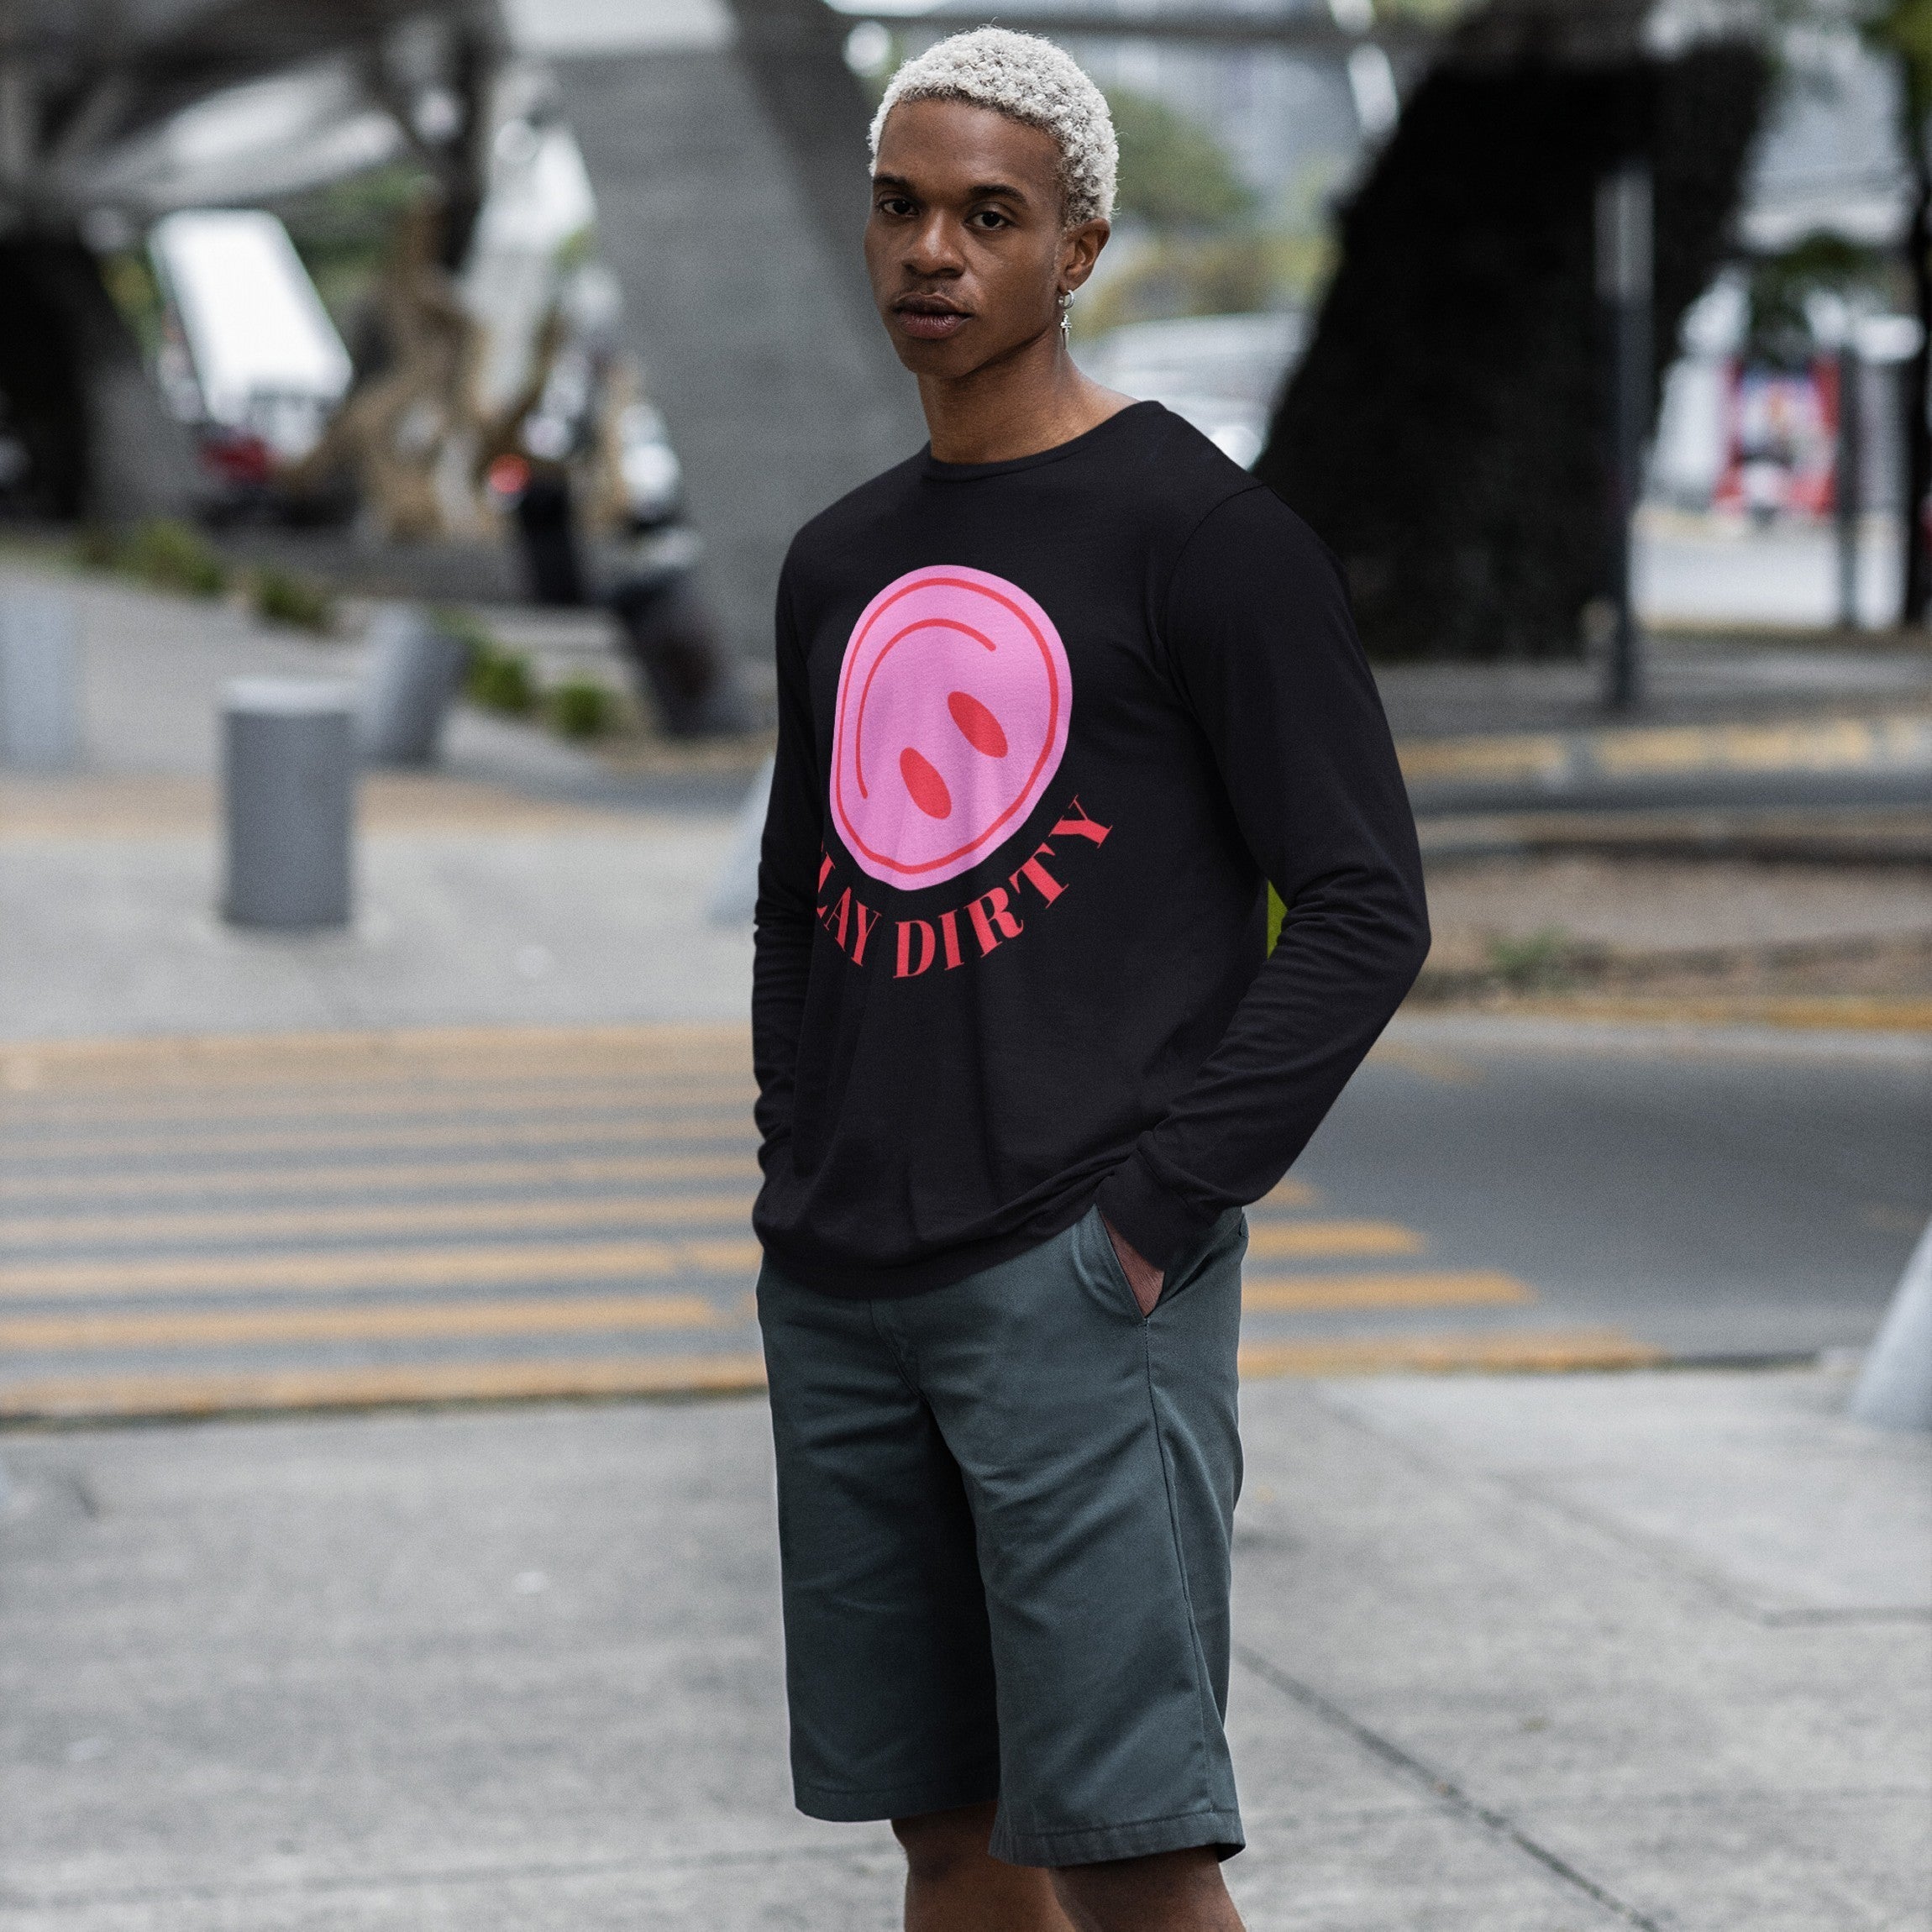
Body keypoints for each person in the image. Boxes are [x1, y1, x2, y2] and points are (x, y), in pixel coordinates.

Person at [750, 31, 1429, 1932]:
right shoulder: (841, 560)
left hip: (1074, 1271)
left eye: (989, 217)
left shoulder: (1202, 538)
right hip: (843, 1277)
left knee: (1130, 1846)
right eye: (900, 205)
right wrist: (790, 1167)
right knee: (944, 1831)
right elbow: (804, 896)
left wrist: (1154, 1211)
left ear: (1080, 251)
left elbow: (1365, 908)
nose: (932, 255)